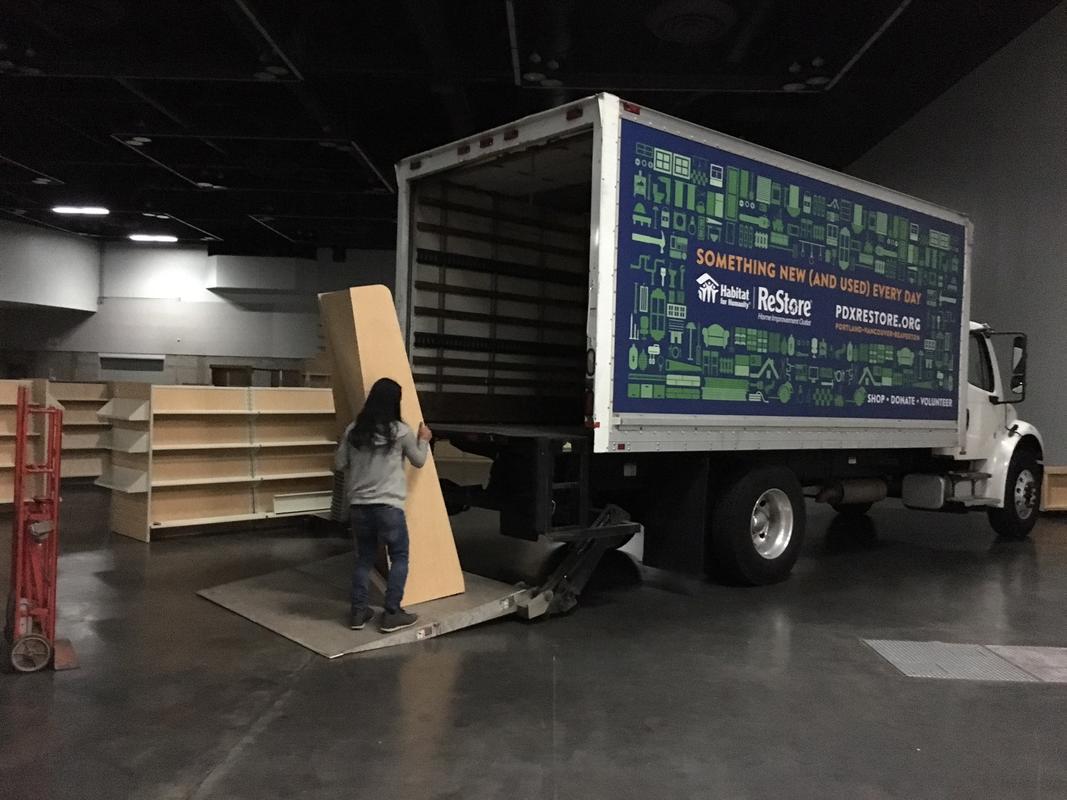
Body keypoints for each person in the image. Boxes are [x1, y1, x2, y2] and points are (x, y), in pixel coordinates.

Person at [333, 377, 432, 633]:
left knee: (364, 558)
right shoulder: (400, 431)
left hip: (359, 508)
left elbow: (339, 464)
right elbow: (419, 461)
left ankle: (358, 612)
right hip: (389, 508)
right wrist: (424, 439)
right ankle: (392, 613)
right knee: (399, 556)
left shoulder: (354, 430)